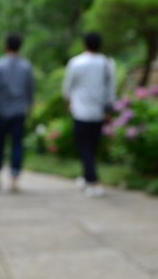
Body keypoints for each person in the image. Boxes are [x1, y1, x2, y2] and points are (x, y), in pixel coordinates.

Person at [62, 32, 116, 197]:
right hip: (99, 112)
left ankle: (94, 181)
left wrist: (68, 102)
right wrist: (109, 110)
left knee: (84, 147)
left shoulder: (76, 63)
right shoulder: (107, 63)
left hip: (80, 111)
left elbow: (67, 87)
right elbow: (111, 90)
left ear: (84, 44)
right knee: (92, 147)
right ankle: (86, 178)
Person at [0, 33, 34, 192]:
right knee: (17, 145)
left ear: (6, 46)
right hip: (19, 111)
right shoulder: (26, 66)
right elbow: (30, 90)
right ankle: (14, 178)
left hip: (1, 111)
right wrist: (29, 108)